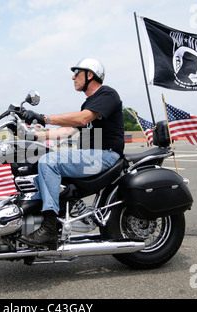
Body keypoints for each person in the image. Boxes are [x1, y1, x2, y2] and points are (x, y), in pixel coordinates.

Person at [19, 58, 125, 247]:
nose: (73, 77)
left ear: (90, 74)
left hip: (106, 155)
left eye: (77, 73)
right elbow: (66, 132)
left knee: (48, 161)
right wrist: (32, 136)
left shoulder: (107, 94)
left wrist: (44, 118)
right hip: (93, 156)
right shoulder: (89, 104)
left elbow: (83, 119)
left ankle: (49, 228)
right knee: (36, 170)